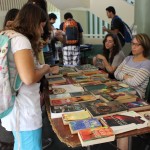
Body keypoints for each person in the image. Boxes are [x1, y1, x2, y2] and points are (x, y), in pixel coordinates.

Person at [1, 3, 58, 150]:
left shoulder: (7, 34)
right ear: (33, 24)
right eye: (41, 26)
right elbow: (28, 78)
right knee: (30, 145)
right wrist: (45, 69)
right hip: (23, 108)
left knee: (21, 144)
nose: (40, 31)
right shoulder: (21, 40)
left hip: (16, 104)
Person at [114, 33, 150, 150]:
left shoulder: (147, 63)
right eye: (132, 44)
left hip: (136, 96)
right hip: (121, 90)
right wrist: (127, 76)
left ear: (144, 46)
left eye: (136, 45)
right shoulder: (127, 58)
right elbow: (115, 74)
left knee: (118, 111)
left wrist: (123, 76)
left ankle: (123, 139)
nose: (133, 47)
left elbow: (135, 83)